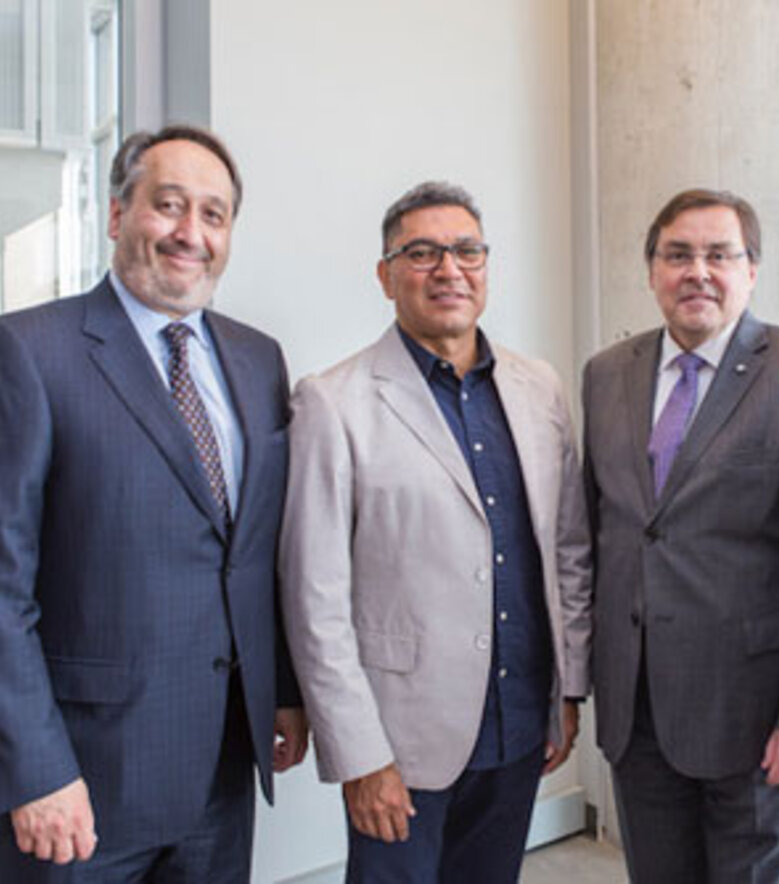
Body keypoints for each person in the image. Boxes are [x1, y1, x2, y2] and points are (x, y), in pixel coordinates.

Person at [0, 124, 308, 882]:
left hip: (221, 770)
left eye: (214, 214)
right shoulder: (30, 352)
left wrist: (282, 690)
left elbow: (260, 551)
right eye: (168, 205)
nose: (190, 233)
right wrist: (35, 769)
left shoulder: (258, 359)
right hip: (82, 782)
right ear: (116, 214)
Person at [279, 181, 592, 883]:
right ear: (386, 274)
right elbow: (314, 597)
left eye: (466, 251)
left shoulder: (538, 387)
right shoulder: (334, 402)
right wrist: (359, 755)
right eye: (422, 253)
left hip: (520, 723)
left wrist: (567, 692)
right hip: (400, 741)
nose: (449, 269)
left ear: (486, 266)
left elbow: (567, 550)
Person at [582, 188, 779, 883]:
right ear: (652, 270)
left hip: (759, 720)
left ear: (751, 270)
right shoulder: (606, 375)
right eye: (677, 255)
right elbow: (603, 533)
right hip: (638, 716)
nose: (697, 272)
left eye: (719, 255)